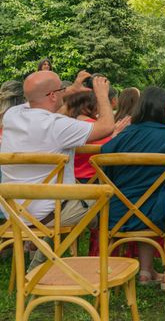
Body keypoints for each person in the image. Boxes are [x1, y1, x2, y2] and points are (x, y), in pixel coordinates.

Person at [0, 70, 114, 266]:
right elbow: (106, 127)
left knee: (69, 198)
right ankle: (95, 266)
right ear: (53, 95)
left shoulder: (12, 115)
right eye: (61, 90)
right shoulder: (58, 126)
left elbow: (40, 104)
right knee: (107, 204)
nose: (65, 92)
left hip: (13, 214)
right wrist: (102, 95)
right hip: (51, 216)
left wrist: (72, 89)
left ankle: (40, 257)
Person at [101, 87, 165, 295]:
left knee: (145, 200)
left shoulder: (120, 138)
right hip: (159, 215)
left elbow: (105, 171)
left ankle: (146, 271)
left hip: (118, 214)